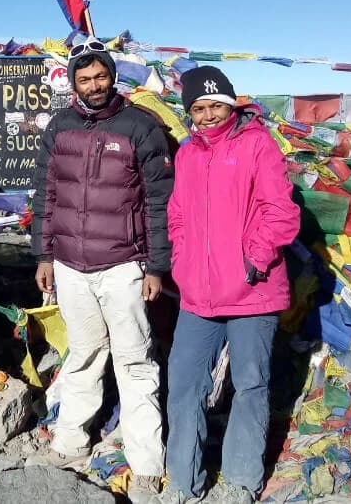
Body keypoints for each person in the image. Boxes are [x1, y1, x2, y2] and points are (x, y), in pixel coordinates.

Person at [29, 38, 172, 504]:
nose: (93, 86)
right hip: (70, 265)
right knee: (84, 355)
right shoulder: (60, 127)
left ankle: (148, 463)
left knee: (134, 361)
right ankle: (71, 441)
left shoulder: (139, 127)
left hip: (124, 266)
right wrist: (44, 256)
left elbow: (158, 202)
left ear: (113, 77)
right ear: (74, 83)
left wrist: (156, 266)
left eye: (101, 77)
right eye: (84, 79)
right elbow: (45, 197)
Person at [160, 66, 301, 504]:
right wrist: (182, 261)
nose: (207, 115)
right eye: (198, 108)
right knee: (184, 384)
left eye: (215, 105)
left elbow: (282, 211)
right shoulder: (187, 154)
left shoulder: (258, 145)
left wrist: (253, 261)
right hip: (198, 294)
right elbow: (178, 214)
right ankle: (184, 482)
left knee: (250, 383)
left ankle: (241, 480)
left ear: (231, 103)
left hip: (250, 291)